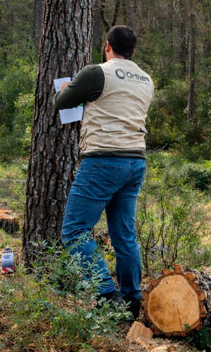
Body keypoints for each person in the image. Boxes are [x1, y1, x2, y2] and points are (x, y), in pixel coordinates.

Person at [54, 25, 153, 319]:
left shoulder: (96, 72)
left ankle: (107, 294)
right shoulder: (146, 79)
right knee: (124, 234)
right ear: (133, 52)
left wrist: (64, 89)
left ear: (107, 46)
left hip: (103, 160)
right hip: (135, 160)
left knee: (74, 231)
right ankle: (132, 300)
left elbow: (63, 102)